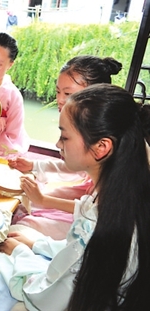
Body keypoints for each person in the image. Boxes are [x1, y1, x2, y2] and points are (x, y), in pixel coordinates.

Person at [0, 84, 150, 310]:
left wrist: (22, 253)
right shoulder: (124, 191)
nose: (58, 144)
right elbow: (75, 249)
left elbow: (50, 296)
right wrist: (37, 244)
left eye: (64, 137)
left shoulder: (107, 226)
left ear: (101, 148)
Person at [9, 56, 122, 239]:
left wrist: (44, 200)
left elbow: (97, 211)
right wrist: (34, 166)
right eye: (58, 92)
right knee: (30, 200)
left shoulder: (110, 140)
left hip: (100, 215)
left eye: (68, 94)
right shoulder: (86, 122)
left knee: (27, 221)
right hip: (90, 196)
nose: (60, 100)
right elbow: (74, 160)